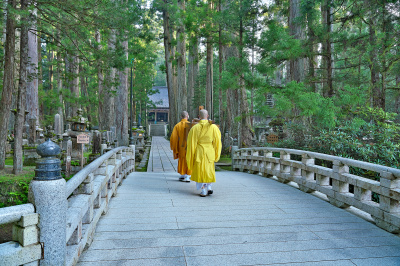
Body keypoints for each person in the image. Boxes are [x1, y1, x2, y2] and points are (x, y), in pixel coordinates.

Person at [186, 109, 222, 197]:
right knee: (209, 170)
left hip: (199, 151)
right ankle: (209, 186)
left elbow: (191, 143)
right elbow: (218, 142)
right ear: (208, 116)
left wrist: (191, 155)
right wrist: (217, 153)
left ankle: (203, 190)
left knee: (200, 170)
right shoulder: (214, 127)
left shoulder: (195, 128)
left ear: (199, 116)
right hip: (210, 151)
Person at [170, 111, 192, 182]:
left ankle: (183, 174)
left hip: (181, 145)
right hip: (190, 145)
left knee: (182, 159)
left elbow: (173, 138)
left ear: (181, 116)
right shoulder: (190, 125)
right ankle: (188, 176)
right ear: (187, 116)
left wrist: (174, 146)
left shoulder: (178, 125)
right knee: (189, 159)